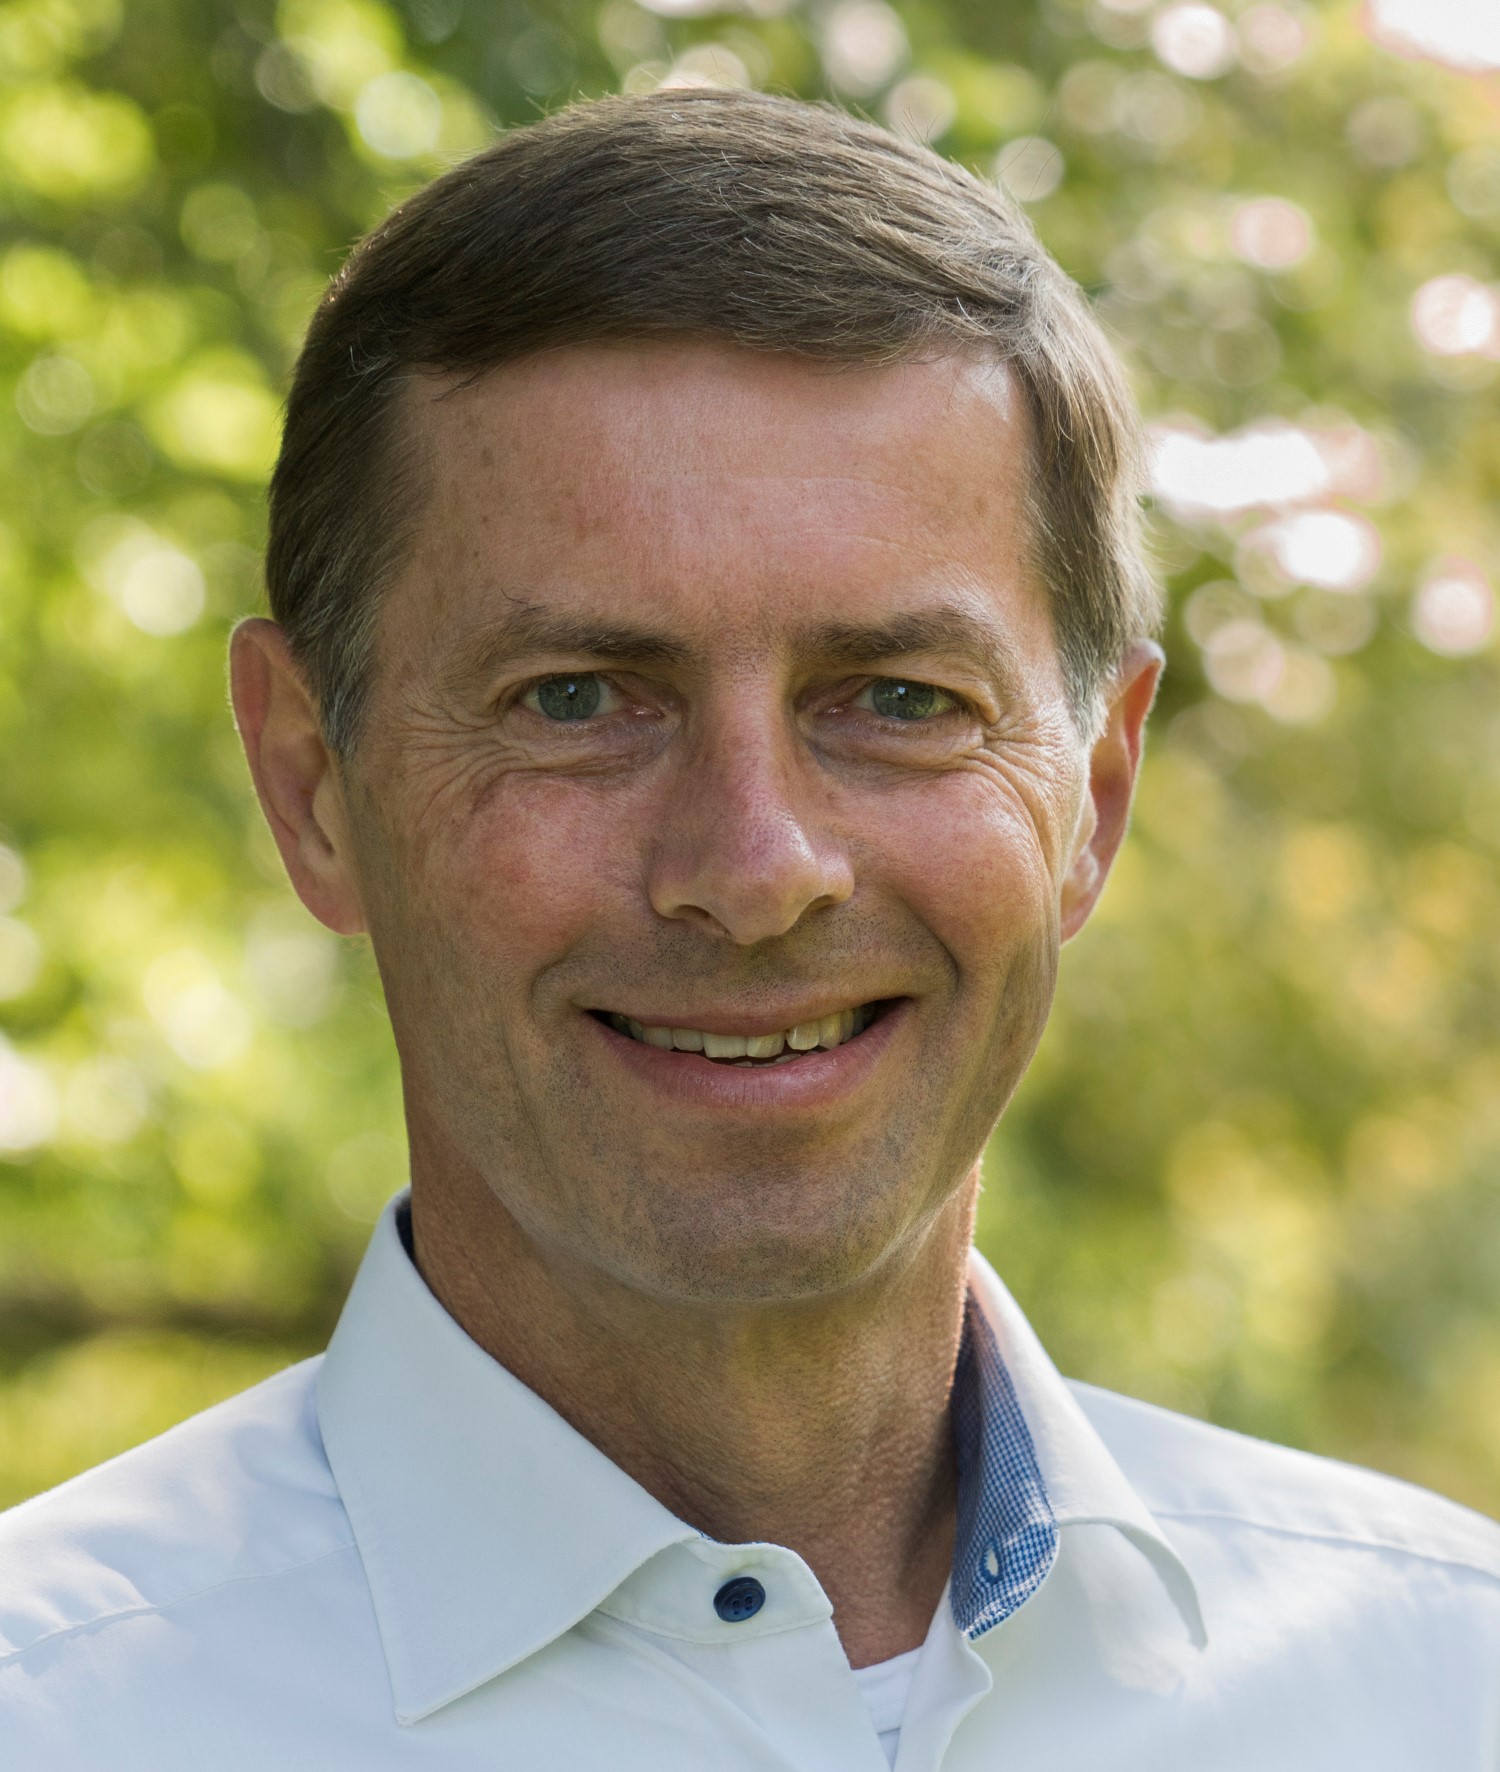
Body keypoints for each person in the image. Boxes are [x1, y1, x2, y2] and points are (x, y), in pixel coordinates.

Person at [1, 88, 1496, 1769]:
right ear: (310, 785)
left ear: (1094, 793)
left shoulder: (1446, 1689)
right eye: (577, 697)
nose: (756, 866)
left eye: (900, 699)